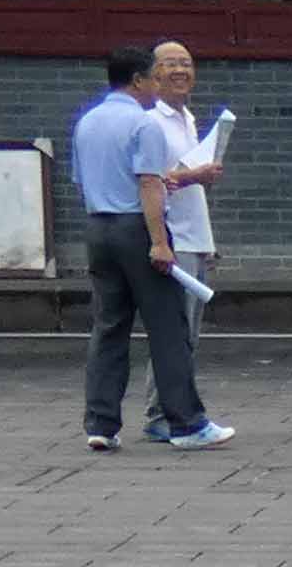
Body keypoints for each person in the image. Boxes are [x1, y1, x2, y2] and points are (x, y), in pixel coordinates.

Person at [69, 48, 219, 452]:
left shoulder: (86, 122)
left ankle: (101, 424)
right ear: (137, 80)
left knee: (109, 327)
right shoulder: (143, 123)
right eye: (153, 77)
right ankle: (186, 423)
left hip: (97, 226)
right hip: (135, 226)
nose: (157, 84)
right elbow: (150, 184)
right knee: (168, 328)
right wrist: (159, 242)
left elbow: (80, 181)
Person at [143, 38, 233, 437]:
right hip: (173, 239)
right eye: (170, 63)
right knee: (173, 336)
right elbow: (151, 182)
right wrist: (192, 175)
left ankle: (173, 410)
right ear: (152, 74)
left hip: (193, 238)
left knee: (187, 337)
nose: (180, 70)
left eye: (186, 62)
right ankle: (160, 415)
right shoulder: (151, 123)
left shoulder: (188, 119)